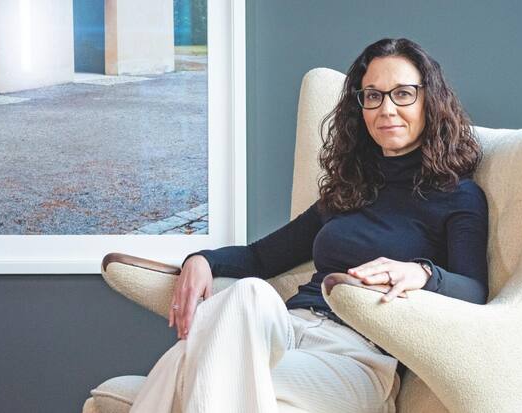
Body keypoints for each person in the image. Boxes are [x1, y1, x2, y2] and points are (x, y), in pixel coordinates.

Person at [129, 37, 489, 413]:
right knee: (249, 294)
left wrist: (422, 273)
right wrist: (203, 259)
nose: (386, 109)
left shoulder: (458, 195)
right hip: (288, 332)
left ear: (429, 99)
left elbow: (475, 291)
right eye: (373, 95)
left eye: (402, 94)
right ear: (361, 107)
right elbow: (261, 257)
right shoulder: (350, 189)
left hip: (356, 358)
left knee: (195, 361)